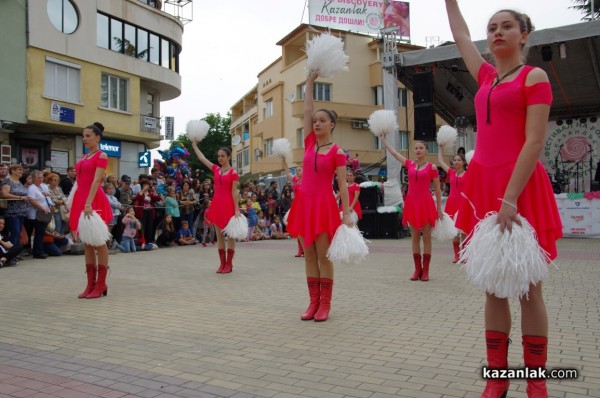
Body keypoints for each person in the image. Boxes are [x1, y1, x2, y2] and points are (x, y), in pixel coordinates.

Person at [445, 3, 563, 397]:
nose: (497, 32)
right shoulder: (486, 76)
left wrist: (510, 197)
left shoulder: (535, 76)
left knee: (530, 287)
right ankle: (498, 380)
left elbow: (535, 140)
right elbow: (462, 36)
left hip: (520, 186)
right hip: (484, 186)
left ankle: (537, 382)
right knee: (493, 287)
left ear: (523, 35)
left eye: (507, 26)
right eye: (492, 27)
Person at [286, 71, 353, 322]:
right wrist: (310, 84)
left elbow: (343, 185)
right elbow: (306, 110)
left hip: (324, 204)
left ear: (331, 125)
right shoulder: (310, 142)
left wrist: (346, 213)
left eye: (322, 121)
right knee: (309, 254)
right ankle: (312, 303)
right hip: (303, 203)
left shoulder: (337, 152)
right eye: (315, 121)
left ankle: (325, 304)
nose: (316, 123)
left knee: (324, 255)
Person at [381, 137, 442, 281]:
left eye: (421, 148)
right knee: (414, 237)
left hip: (426, 203)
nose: (418, 150)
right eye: (416, 148)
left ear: (426, 151)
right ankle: (417, 270)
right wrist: (384, 140)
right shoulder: (409, 164)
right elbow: (395, 154)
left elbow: (438, 189)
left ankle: (426, 271)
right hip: (411, 203)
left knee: (426, 237)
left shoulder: (432, 167)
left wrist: (439, 208)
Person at [70, 122, 113, 299]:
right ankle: (90, 283)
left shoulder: (101, 155)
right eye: (83, 136)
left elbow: (97, 180)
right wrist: (73, 201)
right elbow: (79, 182)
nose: (85, 139)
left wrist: (88, 203)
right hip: (82, 199)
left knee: (98, 241)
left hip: (94, 199)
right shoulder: (85, 157)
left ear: (97, 137)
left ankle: (101, 283)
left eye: (88, 136)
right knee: (87, 242)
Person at [191, 142, 240, 273]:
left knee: (230, 235)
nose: (220, 158)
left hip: (229, 205)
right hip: (217, 205)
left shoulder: (234, 173)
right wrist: (194, 146)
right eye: (218, 156)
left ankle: (229, 264)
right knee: (219, 236)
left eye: (223, 156)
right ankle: (222, 263)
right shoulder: (216, 169)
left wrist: (236, 209)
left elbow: (235, 192)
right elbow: (202, 159)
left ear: (228, 157)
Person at [437, 145, 467, 263]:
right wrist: (441, 148)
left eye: (459, 160)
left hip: (463, 204)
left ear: (464, 162)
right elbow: (440, 161)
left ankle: (465, 255)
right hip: (452, 204)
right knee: (454, 231)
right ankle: (456, 255)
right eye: (455, 160)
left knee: (463, 231)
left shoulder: (468, 174)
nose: (456, 162)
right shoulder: (451, 173)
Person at [1, 165, 31, 246]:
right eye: (19, 170)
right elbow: (4, 194)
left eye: (21, 170)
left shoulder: (19, 182)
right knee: (15, 232)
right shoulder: (7, 181)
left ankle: (15, 252)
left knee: (18, 233)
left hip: (22, 212)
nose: (21, 171)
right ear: (13, 171)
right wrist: (20, 197)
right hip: (12, 212)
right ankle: (9, 253)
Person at [27, 170, 54, 260]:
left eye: (42, 177)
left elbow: (48, 197)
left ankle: (40, 250)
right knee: (39, 233)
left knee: (42, 233)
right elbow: (32, 200)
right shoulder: (32, 188)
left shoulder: (44, 186)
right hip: (37, 214)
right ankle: (37, 252)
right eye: (38, 177)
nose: (41, 179)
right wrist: (42, 208)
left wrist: (51, 206)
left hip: (46, 212)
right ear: (34, 178)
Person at [283, 160, 304, 257]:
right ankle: (300, 249)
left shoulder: (307, 180)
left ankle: (307, 249)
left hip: (304, 206)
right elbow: (287, 172)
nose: (297, 172)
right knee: (298, 228)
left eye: (299, 170)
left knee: (304, 228)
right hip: (296, 206)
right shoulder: (295, 179)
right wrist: (284, 159)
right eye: (296, 170)